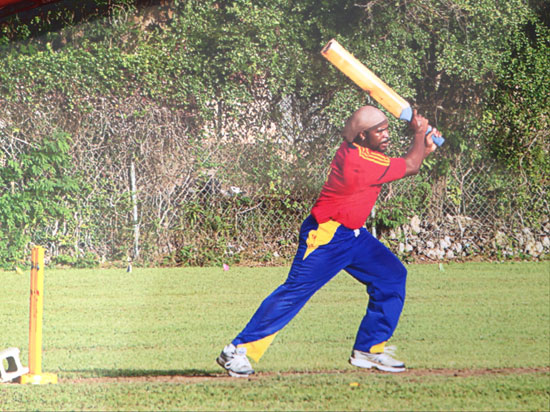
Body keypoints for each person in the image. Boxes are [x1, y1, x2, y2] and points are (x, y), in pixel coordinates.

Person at [217, 105, 439, 377]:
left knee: (391, 276)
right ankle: (237, 350)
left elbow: (409, 163)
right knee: (294, 293)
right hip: (327, 235)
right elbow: (411, 165)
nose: (386, 135)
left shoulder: (366, 153)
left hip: (355, 236)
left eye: (386, 129)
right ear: (361, 137)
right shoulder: (358, 161)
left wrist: (424, 146)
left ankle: (369, 350)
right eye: (378, 131)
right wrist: (418, 133)